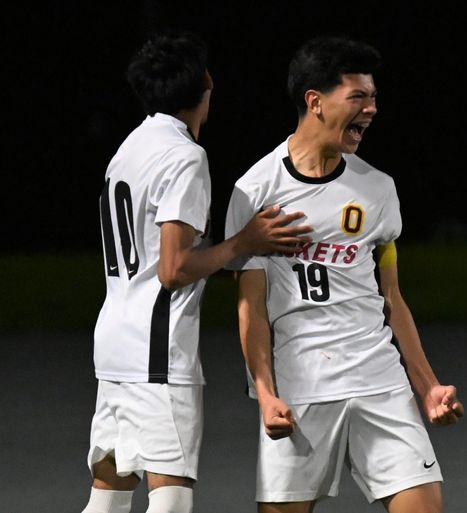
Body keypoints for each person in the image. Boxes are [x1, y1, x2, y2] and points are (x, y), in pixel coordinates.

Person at [225, 35, 464, 513]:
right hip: (302, 388)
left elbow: (391, 299)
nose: (371, 109)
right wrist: (266, 395)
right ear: (315, 102)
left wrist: (428, 386)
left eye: (373, 97)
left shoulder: (377, 189)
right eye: (358, 96)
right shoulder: (255, 191)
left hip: (379, 381)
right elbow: (250, 306)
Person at [82, 32, 312, 513]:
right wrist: (242, 243)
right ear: (205, 83)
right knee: (172, 500)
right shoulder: (185, 155)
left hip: (114, 343)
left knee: (108, 499)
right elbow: (174, 268)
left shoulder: (128, 148)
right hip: (157, 354)